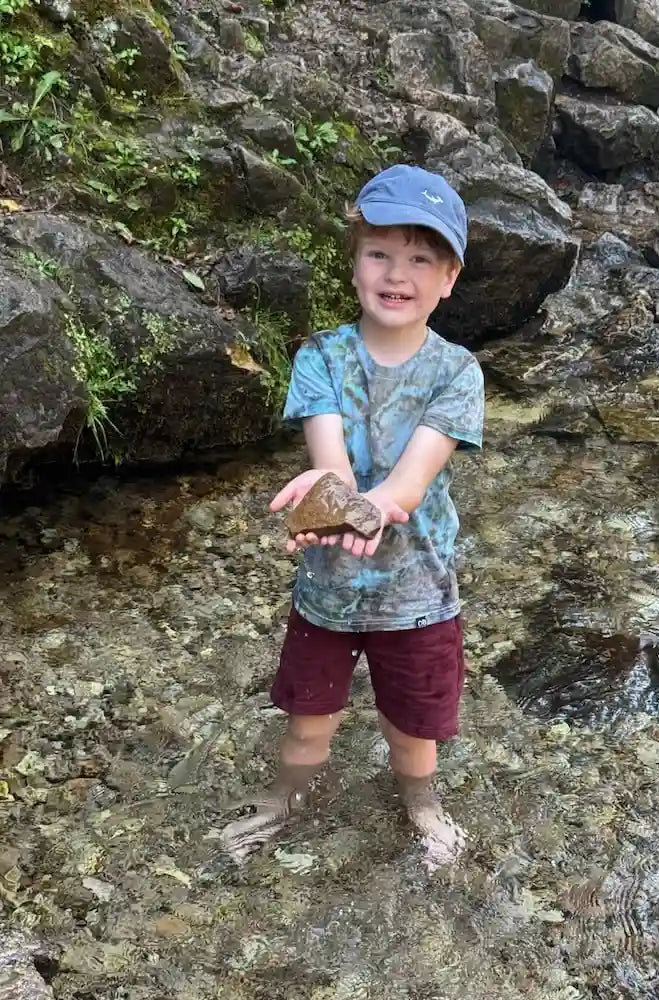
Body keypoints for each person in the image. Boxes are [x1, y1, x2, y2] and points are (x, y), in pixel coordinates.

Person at [221, 163, 485, 870]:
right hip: (328, 592)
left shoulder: (458, 373)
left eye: (420, 258)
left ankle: (423, 805)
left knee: (412, 736)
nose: (397, 274)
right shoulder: (321, 357)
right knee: (308, 728)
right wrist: (330, 498)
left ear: (449, 277)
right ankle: (285, 797)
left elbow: (411, 479)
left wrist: (367, 510)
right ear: (354, 264)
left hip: (421, 597)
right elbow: (331, 465)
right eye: (379, 254)